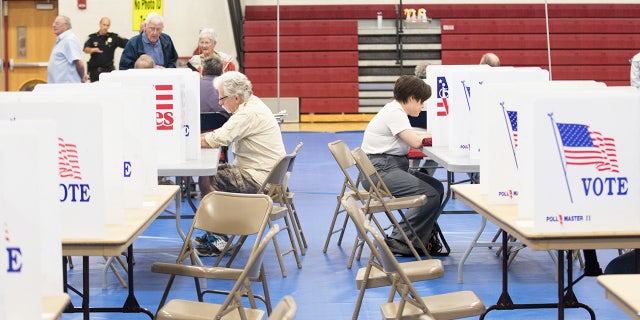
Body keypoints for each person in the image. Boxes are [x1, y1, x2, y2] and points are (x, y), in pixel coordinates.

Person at [196, 71, 286, 256]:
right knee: (213, 173)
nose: (220, 103)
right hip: (268, 174)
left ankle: (219, 238)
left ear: (236, 98)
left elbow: (216, 139)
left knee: (208, 181)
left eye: (222, 99)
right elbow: (219, 133)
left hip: (260, 179)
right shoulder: (251, 104)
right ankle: (217, 231)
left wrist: (185, 141)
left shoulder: (247, 114)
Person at [360, 75, 444, 256]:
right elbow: (414, 141)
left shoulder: (395, 110)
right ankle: (400, 240)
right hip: (380, 170)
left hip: (386, 167)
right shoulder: (395, 112)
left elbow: (412, 134)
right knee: (429, 194)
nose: (422, 107)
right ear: (412, 98)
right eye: (421, 102)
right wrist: (445, 137)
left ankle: (420, 238)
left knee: (437, 187)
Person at [197, 56, 230, 197]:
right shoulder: (225, 88)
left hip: (197, 134)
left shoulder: (194, 84)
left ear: (203, 70)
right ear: (221, 72)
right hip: (218, 134)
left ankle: (187, 183)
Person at [83, 17, 128, 82]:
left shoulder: (113, 37)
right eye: (104, 25)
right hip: (96, 72)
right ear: (100, 24)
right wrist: (92, 50)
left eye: (107, 25)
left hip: (108, 71)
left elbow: (126, 43)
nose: (105, 27)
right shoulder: (93, 37)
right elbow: (85, 49)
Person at [48, 15, 87, 84]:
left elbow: (79, 63)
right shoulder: (61, 40)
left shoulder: (69, 40)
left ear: (65, 26)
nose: (53, 25)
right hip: (57, 86)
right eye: (54, 23)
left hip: (66, 86)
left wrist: (82, 78)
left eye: (57, 23)